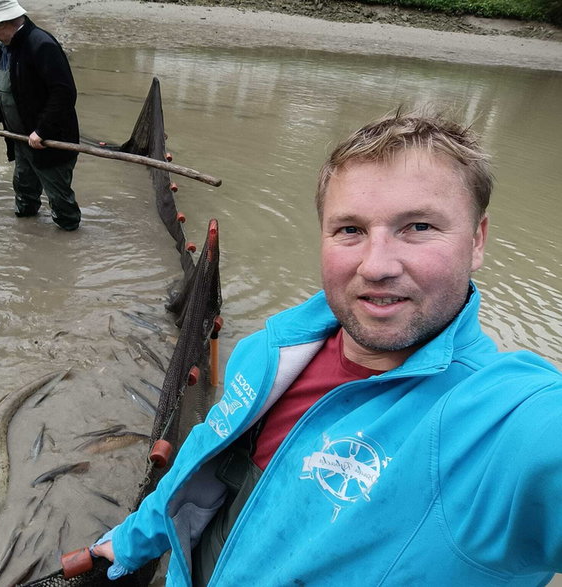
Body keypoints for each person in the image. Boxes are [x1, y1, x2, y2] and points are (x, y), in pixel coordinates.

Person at [91, 109, 562, 585]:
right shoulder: (270, 353)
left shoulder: (501, 421)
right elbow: (202, 458)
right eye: (350, 230)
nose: (377, 266)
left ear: (477, 241)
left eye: (418, 226)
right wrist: (133, 538)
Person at [0, 0, 81, 231]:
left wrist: (42, 131)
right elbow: (8, 93)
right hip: (21, 139)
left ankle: (68, 240)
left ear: (5, 24)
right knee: (24, 191)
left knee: (61, 202)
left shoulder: (41, 45)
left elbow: (64, 93)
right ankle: (25, 235)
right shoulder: (5, 46)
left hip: (50, 143)